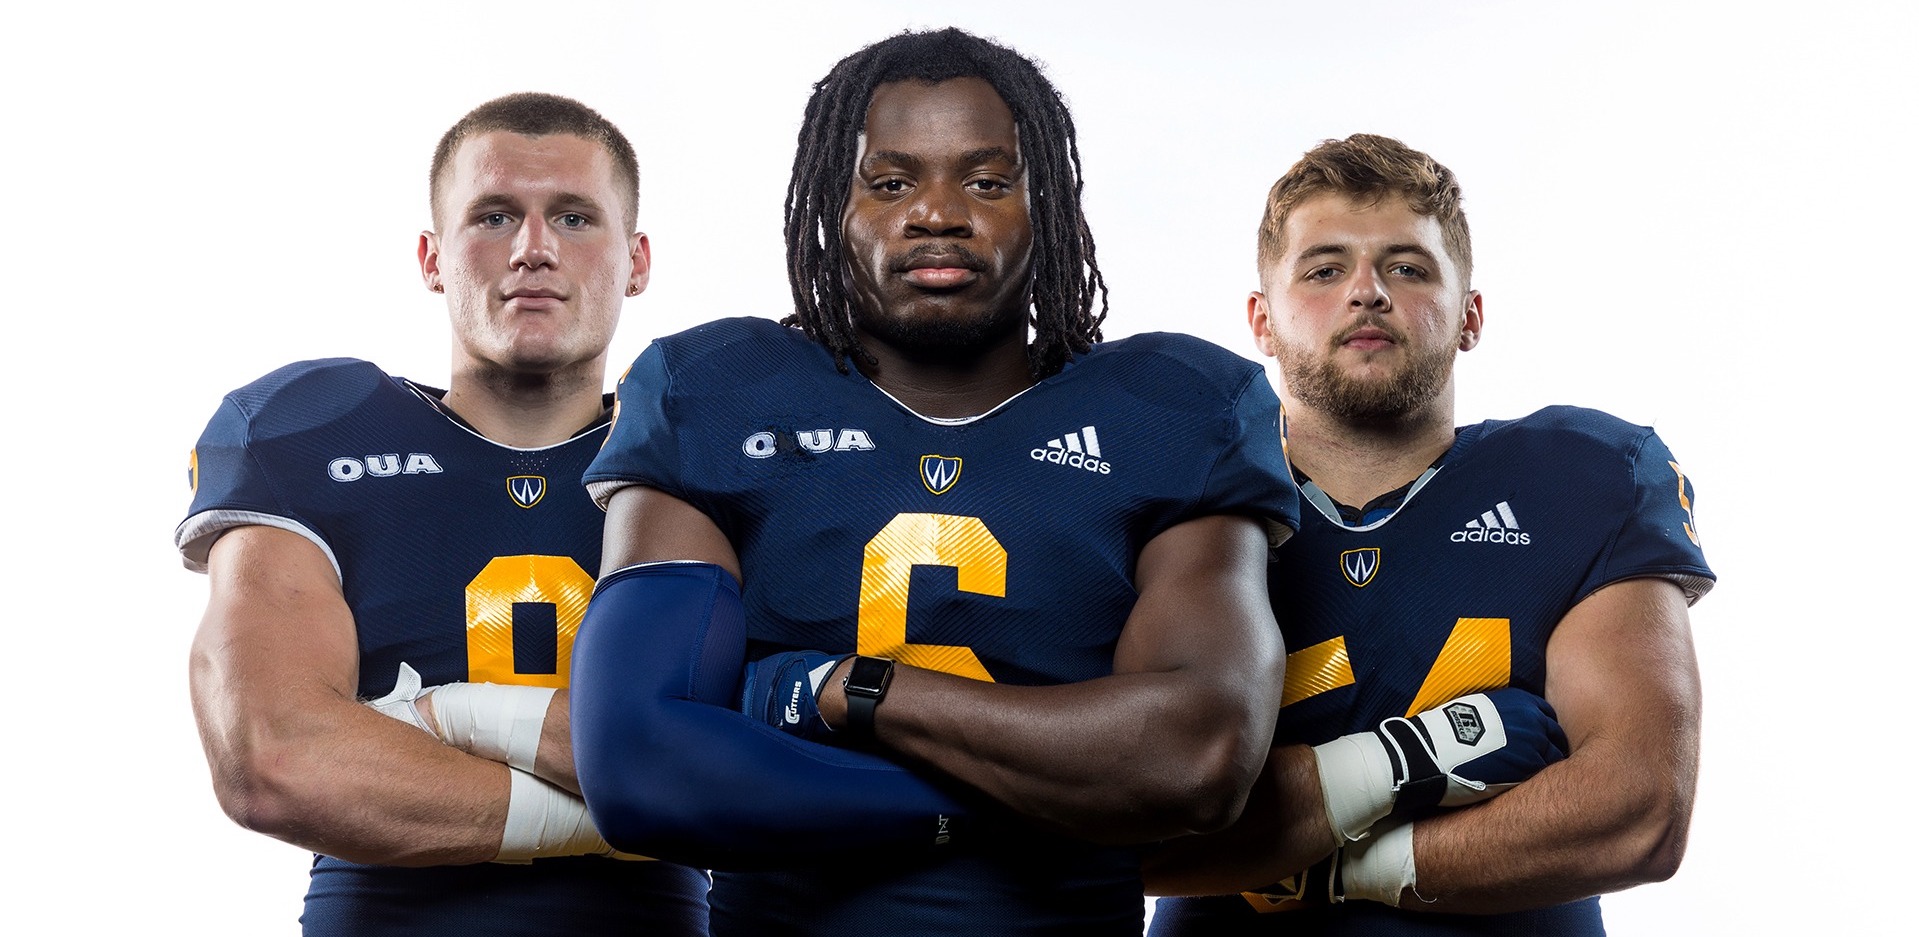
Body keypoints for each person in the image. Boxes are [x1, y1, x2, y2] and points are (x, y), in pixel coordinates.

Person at [565, 27, 1299, 936]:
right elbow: (641, 765)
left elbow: (1198, 755)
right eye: (890, 181)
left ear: (1052, 206)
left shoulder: (1177, 407)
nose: (936, 213)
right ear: (835, 203)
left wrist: (845, 688)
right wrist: (1035, 795)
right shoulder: (711, 389)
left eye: (986, 182)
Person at [1144, 134, 1715, 936]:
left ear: (1469, 315)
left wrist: (1314, 864)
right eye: (1323, 269)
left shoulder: (1582, 477)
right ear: (1260, 320)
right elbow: (1104, 825)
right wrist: (1416, 758)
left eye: (1407, 267)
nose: (1366, 292)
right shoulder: (1170, 494)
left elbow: (1637, 808)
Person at [177, 93, 708, 936]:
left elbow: (787, 740)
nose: (533, 249)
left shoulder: (711, 448)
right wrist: (655, 803)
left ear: (637, 260)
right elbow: (271, 761)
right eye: (493, 216)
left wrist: (431, 722)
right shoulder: (311, 429)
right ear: (432, 257)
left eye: (574, 217)